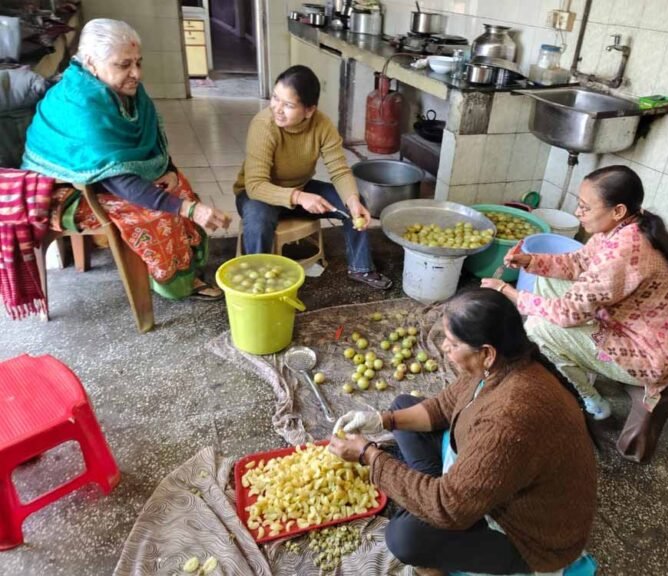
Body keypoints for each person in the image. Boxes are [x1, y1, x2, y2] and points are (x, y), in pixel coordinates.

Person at [329, 288, 597, 576]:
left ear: (487, 353)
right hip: (486, 482)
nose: (444, 347)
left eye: (453, 342)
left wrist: (370, 456)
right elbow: (443, 407)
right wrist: (383, 420)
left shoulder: (509, 420)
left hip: (527, 536)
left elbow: (449, 508)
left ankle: (425, 502)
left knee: (405, 539)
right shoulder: (498, 367)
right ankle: (426, 493)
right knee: (403, 406)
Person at [22, 19, 231, 300]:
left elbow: (146, 141)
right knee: (157, 213)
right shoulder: (81, 105)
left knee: (175, 184)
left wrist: (167, 168)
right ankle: (173, 281)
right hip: (64, 191)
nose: (136, 73)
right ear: (92, 63)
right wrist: (190, 210)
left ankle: (186, 265)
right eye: (124, 65)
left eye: (138, 62)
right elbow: (117, 178)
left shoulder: (125, 91)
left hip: (107, 177)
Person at [481, 165, 668, 420]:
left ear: (618, 210)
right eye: (579, 204)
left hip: (648, 355)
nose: (577, 212)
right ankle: (578, 358)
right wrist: (530, 261)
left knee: (540, 329)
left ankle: (589, 399)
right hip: (628, 325)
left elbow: (566, 314)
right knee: (546, 282)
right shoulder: (623, 226)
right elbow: (578, 263)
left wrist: (508, 291)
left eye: (585, 207)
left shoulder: (625, 251)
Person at [234, 65, 392, 290]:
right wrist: (299, 197)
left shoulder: (322, 125)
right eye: (275, 98)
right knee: (259, 221)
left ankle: (361, 267)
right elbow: (255, 185)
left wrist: (353, 200)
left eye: (288, 105)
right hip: (259, 195)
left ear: (309, 111)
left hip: (300, 187)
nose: (277, 109)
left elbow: (339, 169)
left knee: (354, 203)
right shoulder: (264, 126)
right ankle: (258, 283)